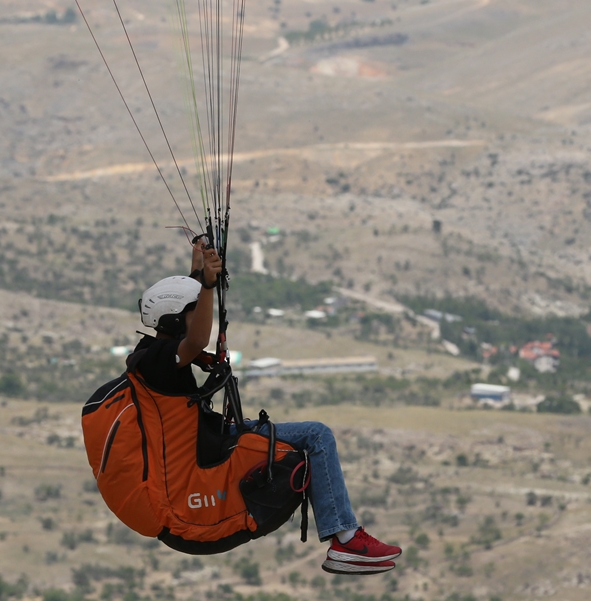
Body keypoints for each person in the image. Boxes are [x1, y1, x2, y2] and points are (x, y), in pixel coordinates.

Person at [133, 239, 402, 574]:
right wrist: (204, 285)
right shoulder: (155, 360)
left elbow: (188, 324)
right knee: (317, 436)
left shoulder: (154, 352)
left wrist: (198, 268)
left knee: (313, 436)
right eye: (190, 312)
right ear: (174, 322)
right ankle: (345, 540)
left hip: (208, 436)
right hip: (204, 446)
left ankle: (344, 538)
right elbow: (198, 339)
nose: (199, 317)